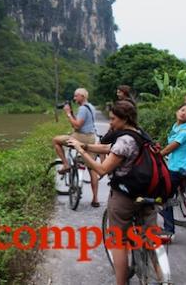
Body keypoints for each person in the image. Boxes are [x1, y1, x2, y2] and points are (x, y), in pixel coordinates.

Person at [67, 101, 155, 285]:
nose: (111, 123)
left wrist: (80, 151)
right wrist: (86, 147)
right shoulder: (138, 134)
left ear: (124, 119)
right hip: (147, 191)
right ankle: (164, 277)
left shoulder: (124, 140)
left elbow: (101, 169)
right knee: (151, 237)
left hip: (125, 196)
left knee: (118, 241)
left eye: (114, 119)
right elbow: (110, 149)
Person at [52, 88, 100, 207]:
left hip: (80, 138)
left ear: (82, 96)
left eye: (76, 96)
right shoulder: (90, 106)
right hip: (91, 138)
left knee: (56, 140)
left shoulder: (83, 108)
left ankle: (66, 164)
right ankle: (95, 199)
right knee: (92, 168)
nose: (74, 98)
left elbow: (77, 126)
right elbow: (80, 121)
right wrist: (73, 114)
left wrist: (68, 113)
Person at [159, 103, 186, 238]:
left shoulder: (184, 132)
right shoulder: (176, 127)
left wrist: (157, 156)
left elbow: (170, 148)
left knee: (164, 197)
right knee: (182, 193)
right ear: (177, 111)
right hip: (182, 167)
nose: (183, 113)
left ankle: (169, 231)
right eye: (182, 110)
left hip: (176, 169)